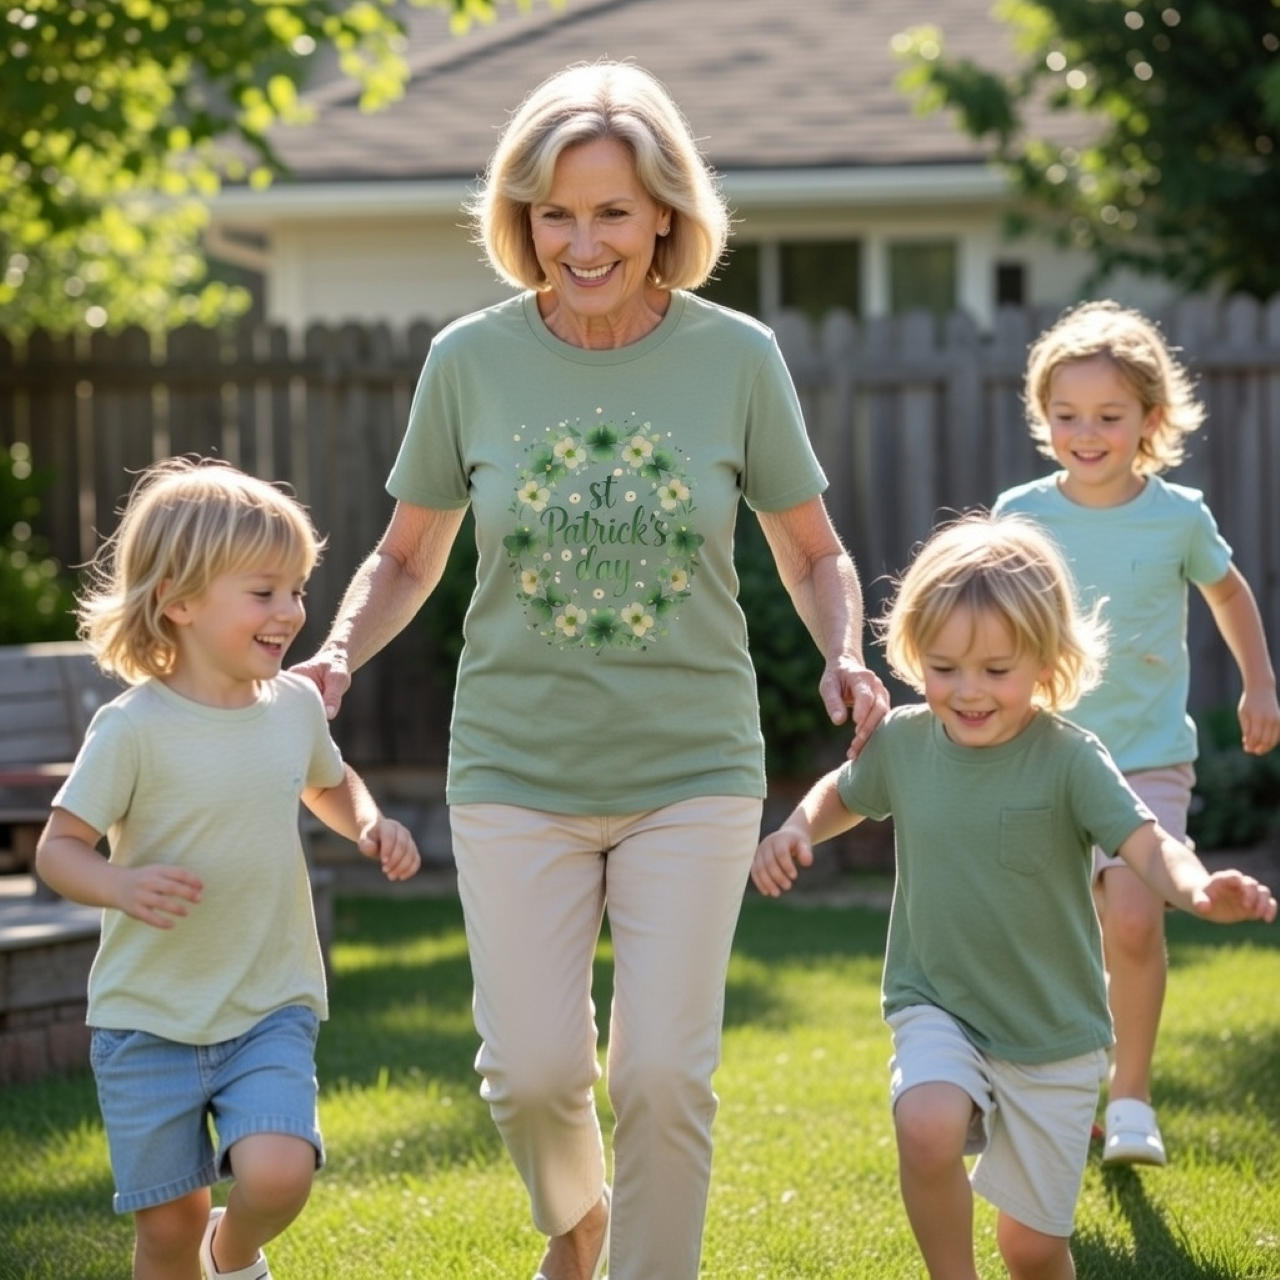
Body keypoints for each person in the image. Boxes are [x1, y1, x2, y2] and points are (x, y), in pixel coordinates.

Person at [292, 60, 888, 1280]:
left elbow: (814, 549)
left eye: (611, 211)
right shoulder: (470, 358)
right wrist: (339, 650)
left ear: (665, 211)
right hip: (515, 762)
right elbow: (407, 554)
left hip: (691, 764)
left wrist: (845, 649)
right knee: (530, 1072)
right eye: (554, 213)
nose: (581, 240)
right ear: (521, 218)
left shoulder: (736, 358)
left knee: (663, 1072)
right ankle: (577, 1221)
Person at [752, 512, 1276, 1280]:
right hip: (938, 1001)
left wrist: (1200, 892)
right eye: (944, 667)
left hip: (1053, 1032)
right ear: (913, 655)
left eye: (997, 670)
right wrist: (796, 827)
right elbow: (847, 791)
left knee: (1031, 1250)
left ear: (1047, 663)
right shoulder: (902, 741)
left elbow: (1146, 845)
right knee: (925, 1123)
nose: (968, 692)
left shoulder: (1072, 760)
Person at [35, 458, 422, 1280]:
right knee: (166, 1229)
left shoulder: (292, 709)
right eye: (264, 592)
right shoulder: (131, 728)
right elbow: (58, 849)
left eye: (297, 589)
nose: (291, 612)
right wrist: (120, 885)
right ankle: (195, 1247)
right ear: (178, 600)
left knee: (279, 1173)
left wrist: (368, 822)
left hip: (267, 1001)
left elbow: (329, 780)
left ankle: (233, 1250)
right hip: (147, 1019)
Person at [993, 299, 1280, 1166]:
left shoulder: (1178, 517)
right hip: (1040, 758)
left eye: (1109, 417)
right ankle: (1064, 1085)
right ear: (1044, 419)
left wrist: (1259, 683)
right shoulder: (1021, 510)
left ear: (1149, 421)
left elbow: (1228, 594)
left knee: (1130, 921)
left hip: (1147, 758)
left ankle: (1131, 1099)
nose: (1086, 432)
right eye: (1067, 415)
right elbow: (990, 612)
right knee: (1053, 938)